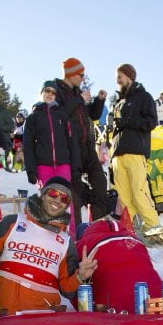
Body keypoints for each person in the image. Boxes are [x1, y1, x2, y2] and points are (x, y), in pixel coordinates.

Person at [0, 176, 96, 314]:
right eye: (53, 193)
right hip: (5, 314)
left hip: (42, 320)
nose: (57, 200)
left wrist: (79, 276)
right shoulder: (13, 223)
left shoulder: (66, 242)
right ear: (43, 194)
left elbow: (67, 290)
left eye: (64, 198)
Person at [109, 63, 160, 236]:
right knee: (124, 199)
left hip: (136, 151)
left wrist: (128, 122)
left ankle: (156, 232)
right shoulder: (119, 101)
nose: (117, 80)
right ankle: (133, 235)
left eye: (119, 76)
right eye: (116, 77)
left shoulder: (144, 97)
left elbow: (151, 122)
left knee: (140, 194)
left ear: (129, 76)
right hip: (118, 154)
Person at [55, 58, 108, 222]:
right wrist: (79, 100)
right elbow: (60, 114)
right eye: (80, 74)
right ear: (70, 74)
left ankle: (97, 225)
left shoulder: (78, 93)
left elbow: (92, 115)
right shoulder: (56, 90)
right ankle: (76, 233)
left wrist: (99, 101)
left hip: (88, 146)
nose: (83, 77)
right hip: (71, 149)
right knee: (75, 192)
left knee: (100, 182)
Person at [76, 217, 163, 312]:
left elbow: (71, 293)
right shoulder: (135, 239)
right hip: (156, 304)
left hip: (114, 312)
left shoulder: (83, 244)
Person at [23, 79, 81, 189]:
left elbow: (72, 142)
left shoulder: (62, 116)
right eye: (47, 91)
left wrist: (76, 168)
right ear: (41, 92)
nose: (50, 94)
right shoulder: (33, 118)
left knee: (64, 198)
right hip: (43, 166)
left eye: (53, 92)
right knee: (48, 199)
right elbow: (28, 146)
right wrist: (31, 170)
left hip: (63, 164)